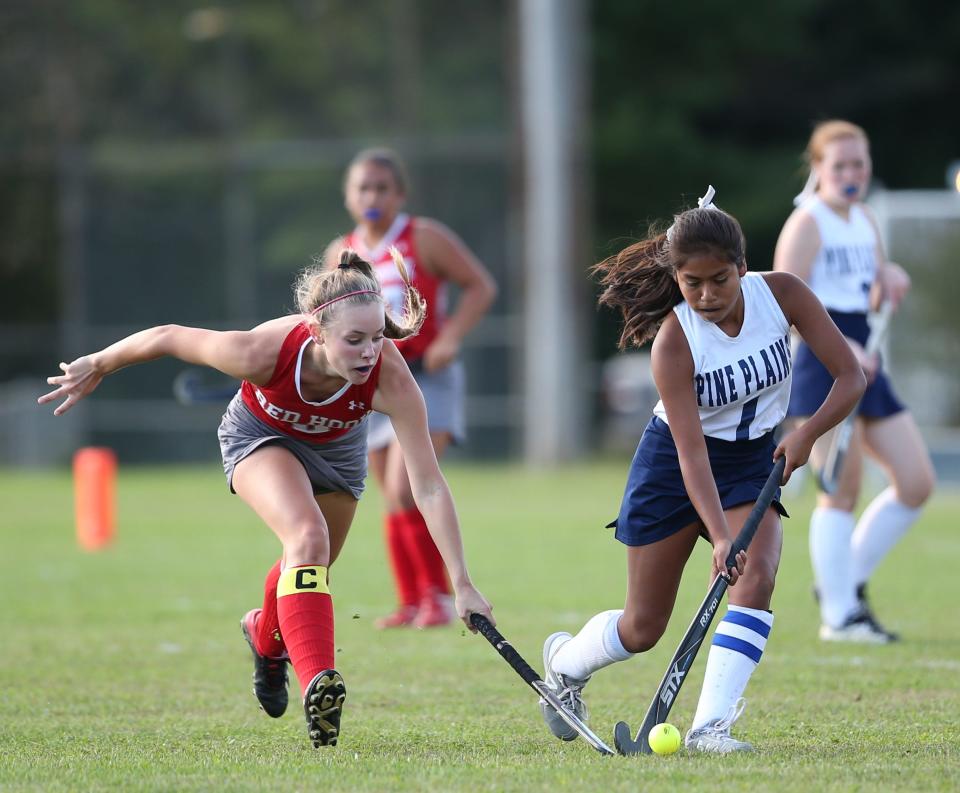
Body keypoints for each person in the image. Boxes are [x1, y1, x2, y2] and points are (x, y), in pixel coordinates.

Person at [38, 248, 494, 748]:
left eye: (378, 338)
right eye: (355, 340)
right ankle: (320, 685)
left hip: (338, 454)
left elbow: (426, 484)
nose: (369, 352)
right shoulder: (261, 353)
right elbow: (169, 336)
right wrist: (100, 362)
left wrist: (462, 583)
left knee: (310, 562)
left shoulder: (390, 376)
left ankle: (264, 634)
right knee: (307, 535)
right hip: (259, 437)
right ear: (317, 332)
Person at [537, 188, 865, 753]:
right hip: (673, 466)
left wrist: (805, 434)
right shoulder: (674, 344)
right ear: (677, 278)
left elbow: (850, 376)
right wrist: (718, 536)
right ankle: (564, 668)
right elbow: (691, 454)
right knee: (643, 627)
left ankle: (710, 728)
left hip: (750, 461)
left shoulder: (782, 295)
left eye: (720, 279)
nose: (708, 295)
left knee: (755, 577)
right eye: (694, 284)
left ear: (742, 267)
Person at [774, 120, 935, 643]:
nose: (850, 174)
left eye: (858, 164)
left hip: (866, 362)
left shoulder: (865, 218)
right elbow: (786, 307)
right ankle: (840, 617)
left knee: (914, 483)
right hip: (826, 366)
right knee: (838, 491)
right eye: (839, 165)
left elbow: (869, 290)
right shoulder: (807, 223)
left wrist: (889, 279)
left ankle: (843, 584)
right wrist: (846, 351)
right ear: (818, 169)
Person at [324, 148, 497, 630]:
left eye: (382, 187)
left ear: (399, 194)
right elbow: (327, 319)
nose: (372, 196)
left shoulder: (422, 237)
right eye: (363, 188)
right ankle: (411, 600)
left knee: (407, 485)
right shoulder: (342, 253)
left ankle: (439, 597)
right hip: (373, 379)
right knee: (389, 493)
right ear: (349, 196)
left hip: (426, 376)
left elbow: (480, 286)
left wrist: (450, 336)